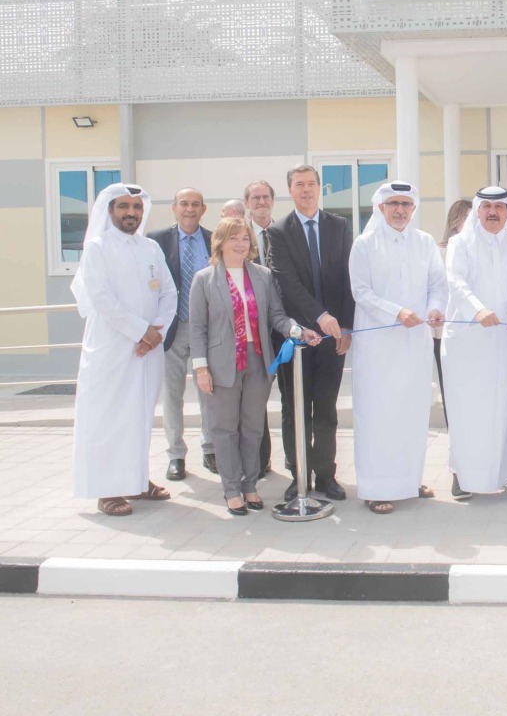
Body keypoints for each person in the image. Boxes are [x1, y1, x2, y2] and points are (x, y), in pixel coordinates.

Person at [189, 218, 320, 515]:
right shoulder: (204, 279)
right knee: (224, 429)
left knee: (252, 428)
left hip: (257, 359)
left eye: (245, 238)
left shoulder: (262, 275)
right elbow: (197, 329)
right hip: (221, 364)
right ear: (220, 242)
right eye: (233, 238)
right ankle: (231, 489)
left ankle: (250, 485)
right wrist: (201, 369)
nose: (240, 244)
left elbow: (277, 316)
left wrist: (298, 331)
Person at [71, 183, 177, 516]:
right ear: (110, 211)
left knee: (140, 416)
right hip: (111, 348)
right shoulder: (97, 248)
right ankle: (107, 489)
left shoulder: (150, 247)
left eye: (137, 207)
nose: (131, 213)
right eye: (123, 207)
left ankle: (136, 480)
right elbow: (102, 299)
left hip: (149, 349)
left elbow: (169, 292)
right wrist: (141, 331)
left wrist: (157, 330)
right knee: (109, 417)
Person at [349, 182, 447, 512]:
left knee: (412, 411)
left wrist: (435, 309)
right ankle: (376, 488)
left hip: (415, 342)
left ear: (413, 209)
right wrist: (397, 312)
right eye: (394, 204)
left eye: (406, 204)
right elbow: (361, 292)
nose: (400, 210)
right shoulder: (364, 244)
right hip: (378, 345)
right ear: (381, 208)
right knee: (379, 415)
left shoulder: (425, 242)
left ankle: (408, 481)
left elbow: (438, 285)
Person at [267, 164, 355, 502]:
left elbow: (347, 278)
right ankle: (299, 474)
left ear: (320, 188)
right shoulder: (278, 231)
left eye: (311, 184)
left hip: (333, 338)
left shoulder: (339, 226)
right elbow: (287, 283)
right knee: (296, 410)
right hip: (297, 337)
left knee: (327, 409)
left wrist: (345, 326)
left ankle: (326, 474)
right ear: (290, 190)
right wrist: (319, 316)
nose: (306, 190)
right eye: (299, 184)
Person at [442, 187, 507, 500]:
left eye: (499, 207)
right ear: (478, 211)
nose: (493, 213)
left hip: (506, 340)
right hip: (467, 341)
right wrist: (477, 309)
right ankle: (462, 473)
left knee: (506, 407)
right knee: (467, 409)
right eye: (487, 207)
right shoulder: (460, 243)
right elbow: (456, 282)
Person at [147, 188, 214, 480]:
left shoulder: (214, 240)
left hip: (206, 329)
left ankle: (210, 448)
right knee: (172, 394)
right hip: (171, 329)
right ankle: (176, 454)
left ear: (204, 209)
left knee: (209, 392)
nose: (190, 209)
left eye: (195, 204)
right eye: (184, 204)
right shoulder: (156, 241)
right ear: (174, 207)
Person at [243, 179, 277, 476]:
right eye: (255, 198)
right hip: (251, 330)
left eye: (265, 197)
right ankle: (260, 460)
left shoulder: (284, 233)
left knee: (292, 396)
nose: (261, 202)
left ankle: (295, 462)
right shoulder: (239, 237)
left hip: (283, 326)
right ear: (247, 203)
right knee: (254, 400)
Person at [435, 198, 473, 427]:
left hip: (473, 328)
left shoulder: (477, 251)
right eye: (466, 217)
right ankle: (455, 430)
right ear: (455, 220)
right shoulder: (440, 252)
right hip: (444, 329)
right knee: (449, 383)